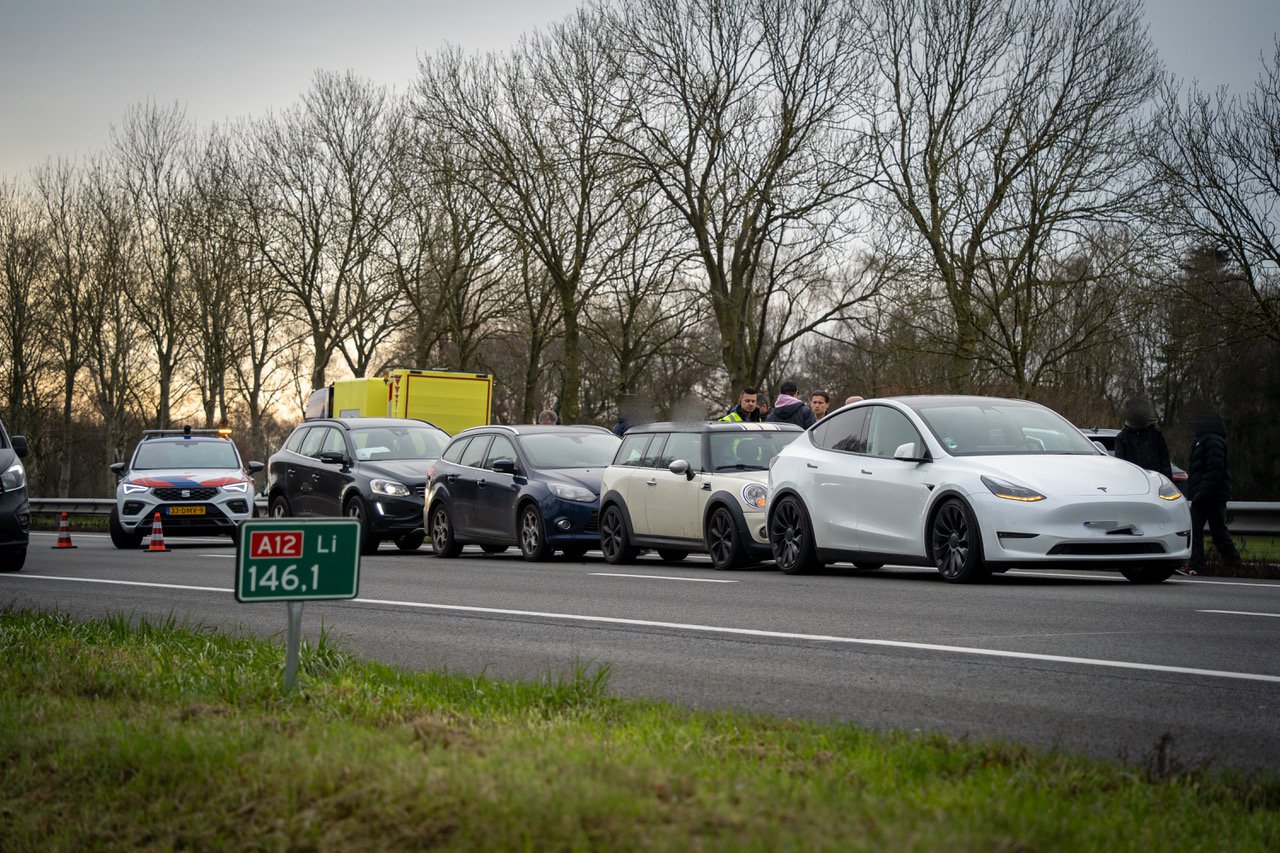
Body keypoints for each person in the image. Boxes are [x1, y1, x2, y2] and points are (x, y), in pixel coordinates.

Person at [1182, 411, 1242, 575]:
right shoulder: (1201, 441)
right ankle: (1198, 565)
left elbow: (1214, 470)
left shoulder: (1212, 441)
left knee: (1216, 531)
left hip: (1212, 496)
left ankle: (1233, 563)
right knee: (1200, 531)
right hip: (1206, 494)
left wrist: (1201, 493)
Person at [1113, 396, 1172, 479]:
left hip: (1154, 481)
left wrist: (1166, 481)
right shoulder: (1122, 438)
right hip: (1133, 482)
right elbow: (1121, 466)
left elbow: (1165, 462)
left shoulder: (1155, 434)